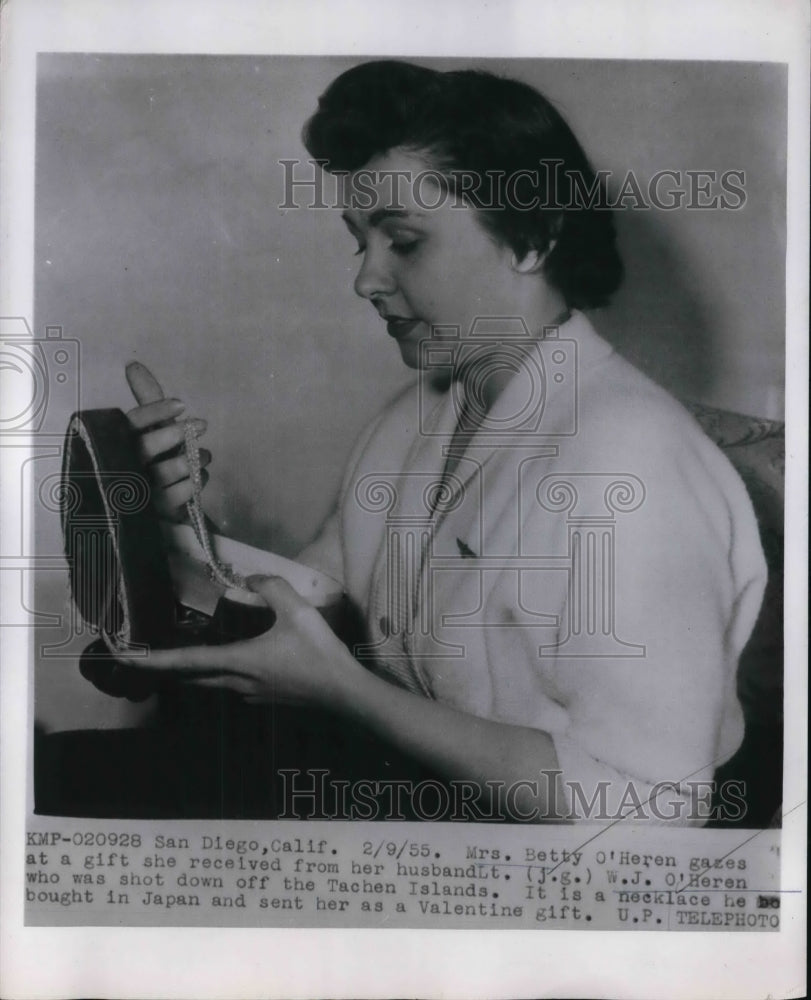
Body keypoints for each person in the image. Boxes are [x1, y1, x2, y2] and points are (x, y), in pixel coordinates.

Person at [121, 61, 767, 824]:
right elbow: (309, 609)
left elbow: (652, 812)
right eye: (359, 242)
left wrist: (347, 695)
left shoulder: (629, 458)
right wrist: (174, 529)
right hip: (439, 816)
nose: (365, 278)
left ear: (530, 236)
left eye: (403, 242)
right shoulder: (421, 412)